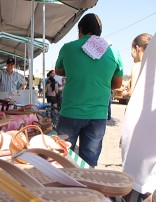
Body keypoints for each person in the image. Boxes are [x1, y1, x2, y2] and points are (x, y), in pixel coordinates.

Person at [55, 13, 123, 167]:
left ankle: (63, 189)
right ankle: (86, 189)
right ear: (99, 32)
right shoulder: (114, 52)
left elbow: (58, 71)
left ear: (81, 30)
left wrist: (76, 73)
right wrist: (99, 82)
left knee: (62, 159)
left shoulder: (68, 48)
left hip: (70, 112)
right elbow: (117, 83)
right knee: (89, 163)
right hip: (97, 115)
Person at [121, 33, 154, 202]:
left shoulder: (137, 65)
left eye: (131, 49)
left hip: (139, 121)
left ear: (137, 48)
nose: (130, 53)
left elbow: (134, 94)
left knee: (133, 178)